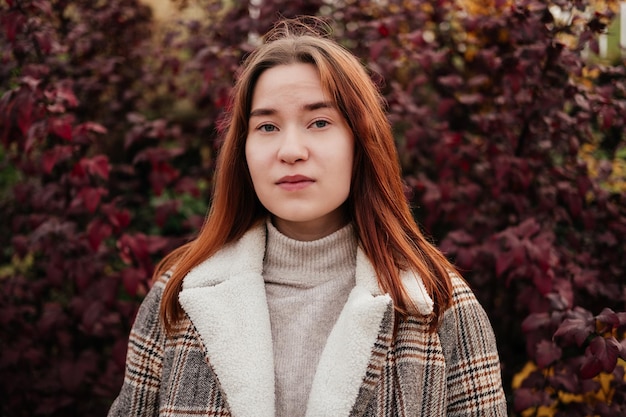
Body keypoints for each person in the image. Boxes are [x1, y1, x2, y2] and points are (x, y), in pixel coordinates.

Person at [108, 17, 507, 417]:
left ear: (361, 141)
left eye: (319, 122)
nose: (291, 150)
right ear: (243, 150)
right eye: (267, 126)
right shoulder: (179, 295)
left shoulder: (436, 303)